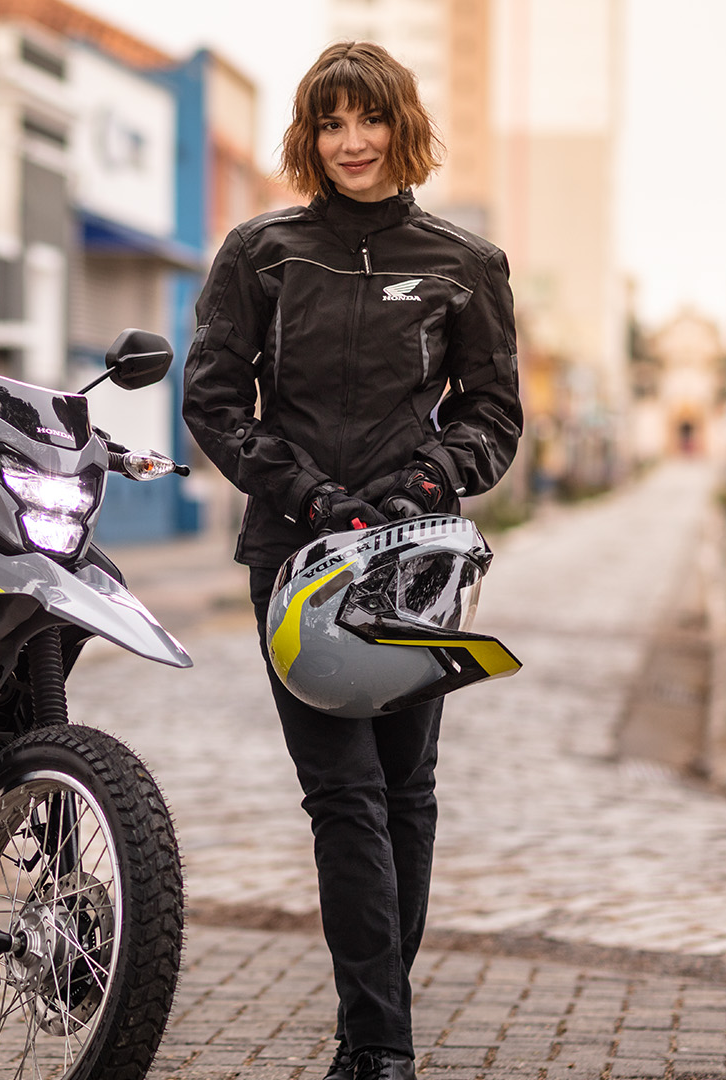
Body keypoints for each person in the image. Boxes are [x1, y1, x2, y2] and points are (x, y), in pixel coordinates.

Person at [181, 41, 522, 1080]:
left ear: (401, 125)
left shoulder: (465, 264)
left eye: (368, 119)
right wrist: (309, 496)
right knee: (344, 793)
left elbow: (494, 414)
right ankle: (380, 1042)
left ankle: (373, 1031)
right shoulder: (263, 254)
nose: (351, 142)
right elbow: (213, 400)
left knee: (405, 790)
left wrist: (427, 481)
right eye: (330, 123)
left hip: (413, 558)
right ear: (309, 137)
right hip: (297, 554)